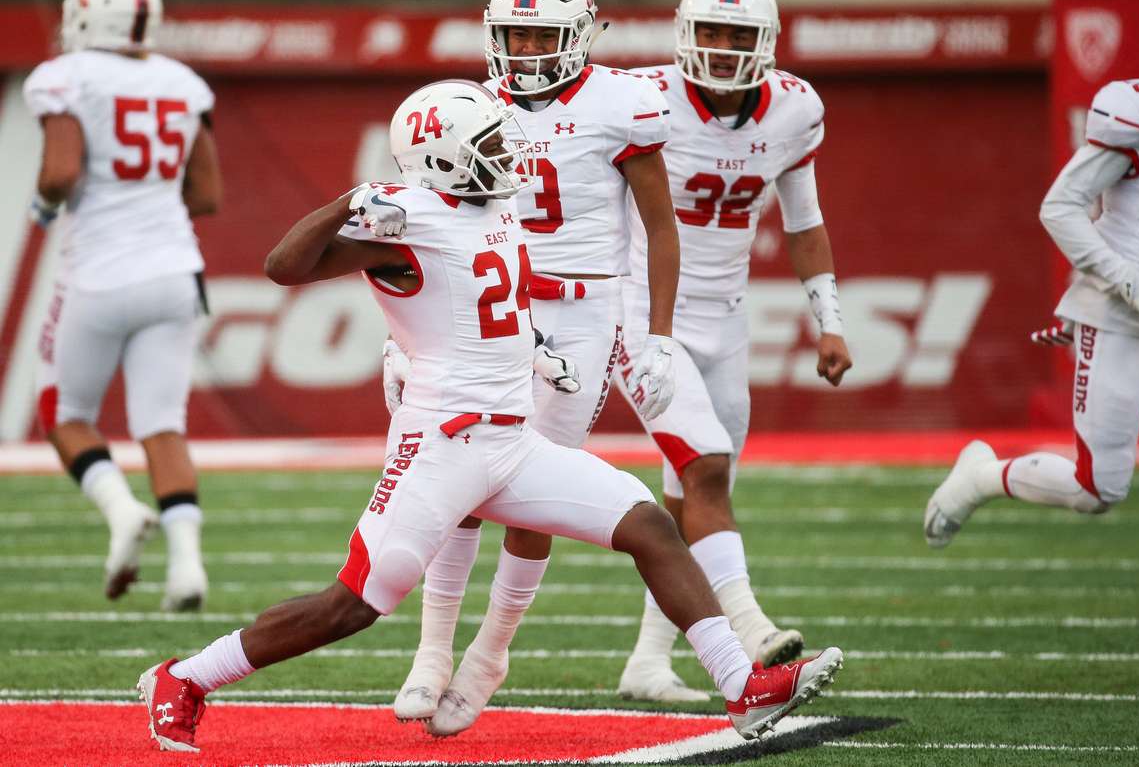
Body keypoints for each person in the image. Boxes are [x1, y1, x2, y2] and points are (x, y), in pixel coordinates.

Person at [135, 80, 844, 753]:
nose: (510, 158)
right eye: (494, 147)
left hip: (510, 438)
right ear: (448, 160)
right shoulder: (402, 221)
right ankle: (187, 675)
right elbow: (283, 266)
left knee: (650, 524)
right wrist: (350, 200)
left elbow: (485, 299)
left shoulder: (494, 207)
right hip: (441, 443)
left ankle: (742, 684)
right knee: (353, 604)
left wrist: (536, 353)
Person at [387, 0, 682, 733]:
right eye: (513, 37)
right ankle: (431, 649)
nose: (524, 53)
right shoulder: (469, 103)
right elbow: (427, 225)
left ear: (580, 36)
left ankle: (490, 653)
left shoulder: (624, 102)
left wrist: (658, 336)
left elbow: (660, 225)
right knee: (461, 482)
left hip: (584, 312)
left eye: (541, 37)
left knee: (532, 498)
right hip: (489, 307)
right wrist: (401, 339)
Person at [924, 0, 1139, 693]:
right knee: (1101, 489)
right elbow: (1058, 207)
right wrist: (1127, 283)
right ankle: (983, 474)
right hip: (1120, 314)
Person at [605, 0, 854, 702]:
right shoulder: (640, 98)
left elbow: (804, 221)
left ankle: (649, 663)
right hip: (644, 309)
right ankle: (749, 631)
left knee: (692, 490)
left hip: (727, 315)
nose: (719, 47)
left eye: (736, 34)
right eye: (708, 30)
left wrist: (830, 322)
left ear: (767, 42)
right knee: (706, 464)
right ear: (683, 32)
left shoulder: (794, 111)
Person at [24, 0, 221, 611]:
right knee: (162, 424)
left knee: (63, 412)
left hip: (100, 271)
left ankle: (118, 510)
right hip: (174, 270)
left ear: (87, 14)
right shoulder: (184, 83)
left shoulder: (65, 77)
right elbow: (207, 195)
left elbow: (60, 172)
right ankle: (187, 564)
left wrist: (45, 206)